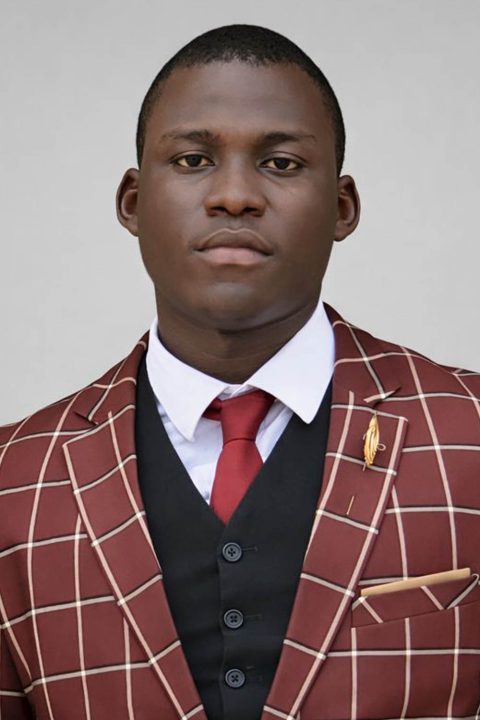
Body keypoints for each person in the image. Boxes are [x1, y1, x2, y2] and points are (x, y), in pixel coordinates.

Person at [0, 23, 479, 720]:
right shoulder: (14, 479)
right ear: (132, 202)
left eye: (281, 163)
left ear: (342, 207)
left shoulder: (468, 434)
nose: (233, 195)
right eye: (192, 160)